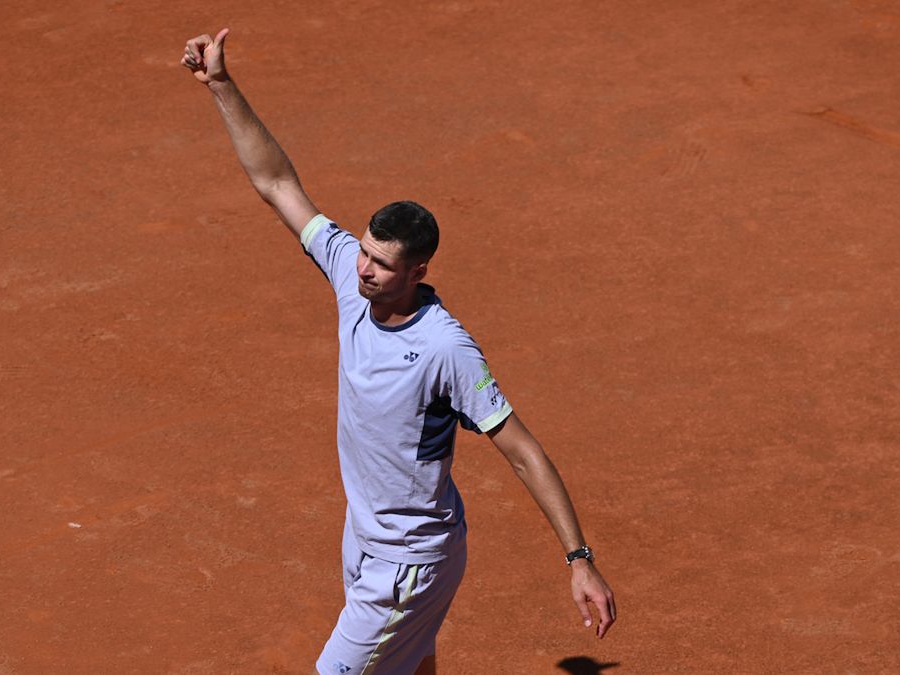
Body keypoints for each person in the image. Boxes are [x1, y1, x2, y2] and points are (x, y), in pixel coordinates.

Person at [181, 28, 616, 675]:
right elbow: (276, 181)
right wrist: (221, 85)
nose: (363, 271)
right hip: (366, 536)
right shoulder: (346, 273)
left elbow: (521, 448)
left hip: (411, 558)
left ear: (417, 270)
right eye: (363, 252)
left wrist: (578, 558)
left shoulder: (445, 349)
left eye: (382, 265)